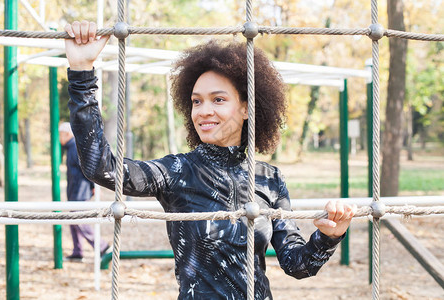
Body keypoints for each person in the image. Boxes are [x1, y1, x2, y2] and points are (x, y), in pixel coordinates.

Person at [64, 21, 357, 299]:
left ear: (245, 107)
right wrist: (81, 73)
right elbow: (102, 167)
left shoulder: (270, 178)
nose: (203, 110)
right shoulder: (177, 171)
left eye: (218, 99)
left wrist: (330, 236)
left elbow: (297, 265)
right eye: (196, 101)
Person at [59, 122, 111, 262]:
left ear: (67, 134)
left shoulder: (74, 147)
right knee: (73, 221)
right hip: (74, 189)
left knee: (80, 220)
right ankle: (77, 251)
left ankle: (102, 246)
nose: (59, 138)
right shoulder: (70, 148)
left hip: (80, 190)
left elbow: (86, 168)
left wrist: (94, 185)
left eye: (60, 134)